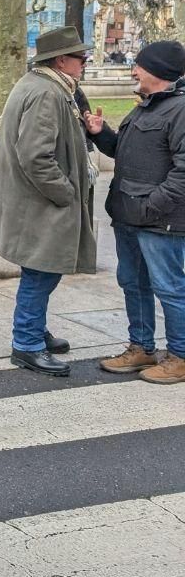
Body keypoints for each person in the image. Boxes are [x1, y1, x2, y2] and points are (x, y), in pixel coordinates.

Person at [0, 26, 94, 377]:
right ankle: (27, 343)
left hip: (33, 203)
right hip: (40, 204)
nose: (84, 62)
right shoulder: (48, 92)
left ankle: (34, 331)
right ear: (62, 60)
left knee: (41, 271)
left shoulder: (41, 84)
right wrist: (67, 193)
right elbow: (36, 157)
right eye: (80, 57)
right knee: (41, 273)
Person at [85, 40, 185, 385]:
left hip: (160, 221)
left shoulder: (180, 109)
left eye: (139, 66)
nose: (134, 70)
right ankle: (141, 348)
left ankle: (180, 356)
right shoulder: (147, 107)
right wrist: (102, 135)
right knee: (134, 283)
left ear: (156, 71)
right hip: (130, 216)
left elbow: (183, 172)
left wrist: (152, 205)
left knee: (169, 287)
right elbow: (126, 155)